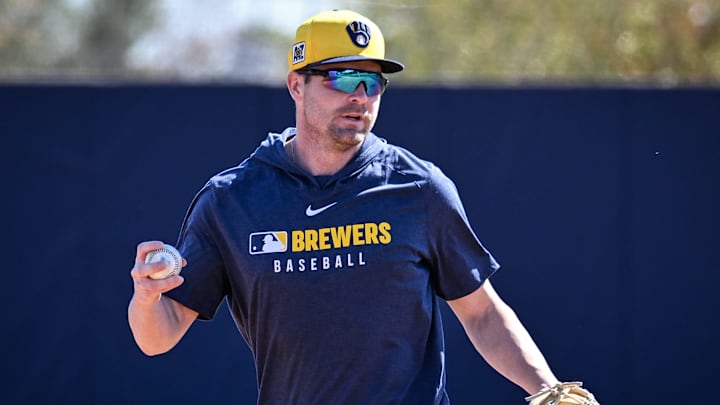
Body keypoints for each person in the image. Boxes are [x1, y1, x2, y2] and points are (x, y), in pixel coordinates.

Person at [128, 9, 563, 404]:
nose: (360, 95)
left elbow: (483, 312)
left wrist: (551, 391)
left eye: (372, 82)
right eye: (342, 78)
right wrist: (147, 298)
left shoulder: (420, 188)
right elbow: (158, 337)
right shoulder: (231, 201)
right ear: (296, 84)